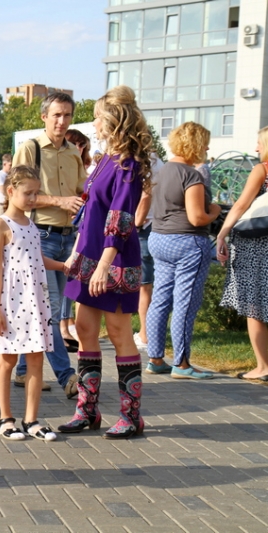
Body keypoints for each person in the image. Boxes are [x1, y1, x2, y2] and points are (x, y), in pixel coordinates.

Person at [60, 85, 152, 440]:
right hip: (90, 257)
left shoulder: (128, 165)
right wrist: (76, 252)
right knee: (84, 329)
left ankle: (131, 416)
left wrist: (102, 266)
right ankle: (87, 411)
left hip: (114, 260)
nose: (94, 124)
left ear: (114, 120)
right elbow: (90, 212)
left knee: (118, 332)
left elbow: (121, 220)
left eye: (98, 117)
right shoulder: (104, 161)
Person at [11, 92, 85, 398]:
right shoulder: (30, 148)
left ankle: (23, 369)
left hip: (68, 237)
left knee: (44, 308)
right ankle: (67, 376)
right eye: (56, 115)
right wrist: (59, 201)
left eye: (67, 115)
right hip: (39, 236)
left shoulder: (73, 152)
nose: (62, 121)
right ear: (44, 117)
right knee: (50, 310)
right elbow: (18, 194)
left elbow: (81, 190)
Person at [0, 166, 64, 442]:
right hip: (11, 303)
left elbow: (37, 258)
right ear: (11, 191)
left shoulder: (32, 225)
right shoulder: (1, 225)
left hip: (35, 302)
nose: (33, 198)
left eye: (36, 193)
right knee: (8, 359)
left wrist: (63, 266)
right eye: (28, 193)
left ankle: (31, 419)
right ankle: (5, 418)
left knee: (35, 357)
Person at [145, 122, 221, 380]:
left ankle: (155, 358)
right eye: (205, 143)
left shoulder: (160, 171)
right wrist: (215, 211)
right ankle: (182, 363)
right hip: (188, 242)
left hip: (159, 239)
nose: (207, 149)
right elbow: (197, 217)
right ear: (195, 144)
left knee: (160, 300)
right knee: (185, 304)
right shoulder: (191, 175)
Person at [217, 126, 268, 381]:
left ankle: (263, 367)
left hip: (256, 243)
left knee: (254, 303)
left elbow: (240, 204)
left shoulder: (262, 169)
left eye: (260, 143)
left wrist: (222, 233)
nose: (256, 148)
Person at [59, 129, 93, 352]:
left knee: (73, 278)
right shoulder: (64, 167)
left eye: (83, 146)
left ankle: (66, 324)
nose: (80, 149)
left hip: (80, 228)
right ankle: (62, 326)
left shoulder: (86, 169)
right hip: (63, 226)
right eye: (77, 144)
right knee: (65, 277)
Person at [132, 154, 165, 351]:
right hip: (156, 222)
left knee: (144, 285)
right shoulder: (157, 160)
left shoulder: (144, 159)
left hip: (144, 226)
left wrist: (136, 222)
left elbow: (146, 194)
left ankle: (145, 334)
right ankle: (149, 333)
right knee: (151, 284)